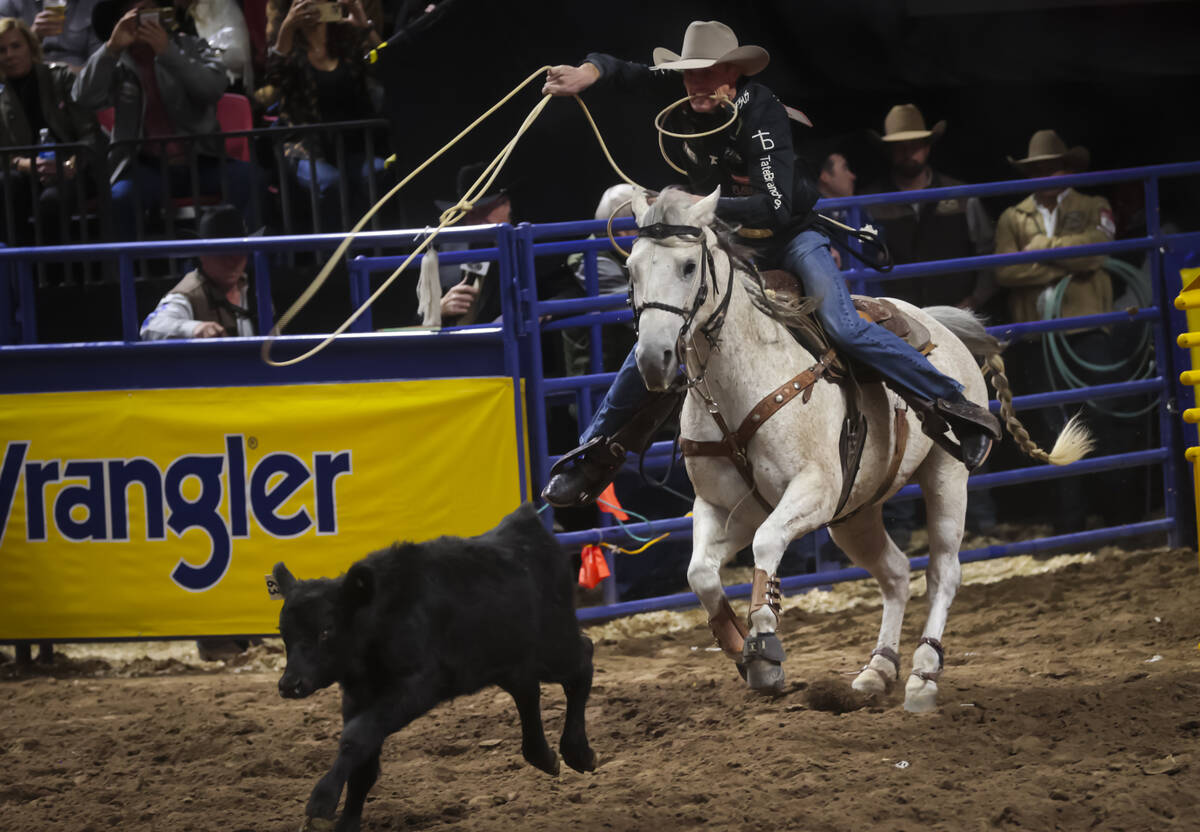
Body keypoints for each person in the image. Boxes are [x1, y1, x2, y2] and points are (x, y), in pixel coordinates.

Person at [538, 20, 1000, 508]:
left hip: (790, 238)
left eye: (707, 73)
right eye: (689, 74)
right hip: (732, 243)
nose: (695, 83)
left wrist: (701, 202)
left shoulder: (761, 114)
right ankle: (593, 458)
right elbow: (630, 73)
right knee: (664, 332)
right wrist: (589, 71)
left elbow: (777, 208)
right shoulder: (690, 94)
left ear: (731, 75)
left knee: (844, 327)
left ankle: (959, 408)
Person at [994, 129, 1120, 533]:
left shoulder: (1092, 203)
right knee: (1052, 425)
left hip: (1086, 330)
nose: (1045, 174)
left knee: (1103, 417)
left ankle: (1118, 515)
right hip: (1039, 336)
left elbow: (1097, 252)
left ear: (1067, 168)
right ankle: (1071, 521)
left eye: (1052, 167)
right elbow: (1006, 270)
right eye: (1038, 169)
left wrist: (1042, 247)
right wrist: (1069, 257)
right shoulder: (1013, 217)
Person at [73, 0, 254, 239]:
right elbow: (83, 97)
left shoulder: (191, 46)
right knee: (119, 199)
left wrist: (168, 52)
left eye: (150, 11)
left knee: (251, 180)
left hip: (202, 159)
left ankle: (254, 264)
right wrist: (111, 48)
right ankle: (126, 274)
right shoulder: (116, 62)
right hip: (146, 164)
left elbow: (211, 89)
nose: (144, 20)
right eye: (135, 14)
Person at [860, 104, 995, 311]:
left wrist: (975, 299)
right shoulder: (870, 202)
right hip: (899, 318)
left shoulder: (961, 195)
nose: (908, 152)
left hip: (956, 312)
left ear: (928, 147)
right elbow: (863, 261)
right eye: (900, 146)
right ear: (888, 150)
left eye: (915, 145)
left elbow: (987, 250)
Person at [264, 0, 384, 233]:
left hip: (351, 145)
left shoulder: (346, 42)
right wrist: (287, 27)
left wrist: (363, 24)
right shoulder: (289, 46)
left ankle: (366, 253)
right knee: (331, 183)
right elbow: (274, 80)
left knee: (377, 172)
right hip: (306, 146)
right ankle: (336, 258)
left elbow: (389, 67)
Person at [0, 16, 103, 247]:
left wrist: (70, 165)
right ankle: (19, 273)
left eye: (16, 46)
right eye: (2, 50)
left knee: (51, 202)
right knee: (6, 186)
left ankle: (57, 278)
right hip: (26, 173)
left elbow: (90, 134)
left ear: (31, 46)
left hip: (73, 170)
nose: (9, 55)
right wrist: (25, 165)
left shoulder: (60, 78)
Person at [140, 203, 257, 339]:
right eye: (222, 253)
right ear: (203, 255)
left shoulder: (254, 285)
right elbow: (150, 328)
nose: (232, 260)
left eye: (238, 251)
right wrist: (195, 328)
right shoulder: (188, 293)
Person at [433, 160, 514, 324]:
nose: (478, 219)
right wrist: (438, 309)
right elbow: (417, 314)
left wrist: (535, 311)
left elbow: (569, 293)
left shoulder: (528, 245)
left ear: (507, 204)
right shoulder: (447, 249)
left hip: (515, 344)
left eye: (486, 209)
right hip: (457, 345)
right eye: (470, 213)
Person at [0, 0, 104, 72]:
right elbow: (5, 55)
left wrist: (67, 75)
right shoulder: (11, 4)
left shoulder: (94, 5)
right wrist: (32, 37)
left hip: (78, 80)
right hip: (28, 76)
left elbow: (100, 63)